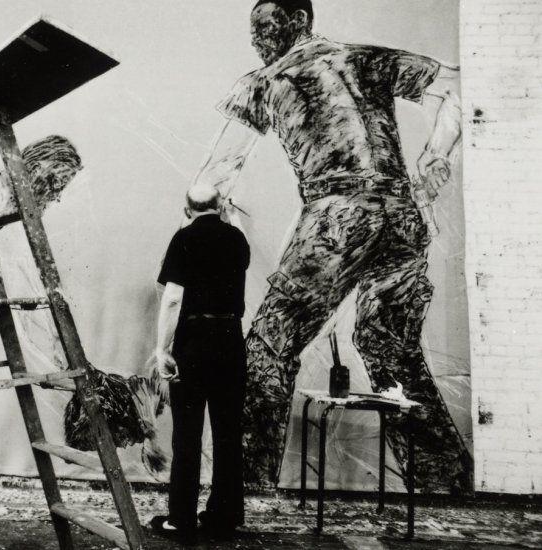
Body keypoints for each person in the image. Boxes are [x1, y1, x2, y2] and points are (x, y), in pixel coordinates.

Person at [193, 0, 472, 493]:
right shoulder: (366, 59)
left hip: (337, 218)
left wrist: (201, 212)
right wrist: (435, 156)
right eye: (253, 31)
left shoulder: (265, 81)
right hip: (400, 216)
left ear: (300, 20)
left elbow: (216, 173)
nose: (257, 39)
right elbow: (459, 86)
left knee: (269, 347)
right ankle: (445, 484)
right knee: (390, 348)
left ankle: (246, 487)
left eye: (265, 27)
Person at [150, 184, 251, 544]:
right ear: (220, 205)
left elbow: (172, 298)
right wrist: (231, 216)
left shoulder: (183, 239)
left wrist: (162, 349)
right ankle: (224, 518)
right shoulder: (237, 239)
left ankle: (181, 520)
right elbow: (236, 244)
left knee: (187, 434)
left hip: (194, 343)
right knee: (228, 433)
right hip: (230, 341)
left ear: (187, 208)